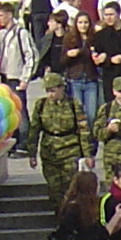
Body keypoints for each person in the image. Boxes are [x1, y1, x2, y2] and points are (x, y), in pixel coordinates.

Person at [32, 81, 90, 213]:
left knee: (70, 186)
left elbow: (83, 129)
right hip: (49, 151)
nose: (50, 94)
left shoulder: (73, 104)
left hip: (70, 149)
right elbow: (34, 129)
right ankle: (59, 215)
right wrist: (32, 153)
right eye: (48, 91)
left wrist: (87, 154)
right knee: (54, 188)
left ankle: (69, 215)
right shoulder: (41, 105)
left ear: (61, 88)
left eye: (53, 90)